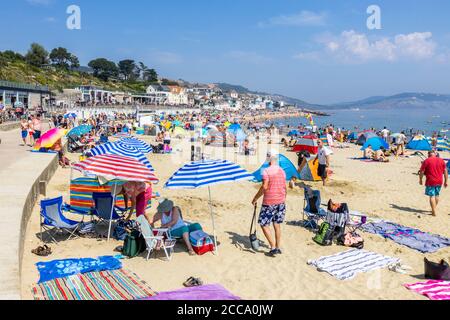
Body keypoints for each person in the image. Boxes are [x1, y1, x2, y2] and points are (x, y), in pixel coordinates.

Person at [252, 152, 287, 256]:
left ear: (268, 159)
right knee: (277, 224)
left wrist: (255, 198)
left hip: (269, 202)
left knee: (264, 224)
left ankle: (273, 247)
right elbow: (284, 187)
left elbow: (264, 187)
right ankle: (278, 246)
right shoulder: (282, 171)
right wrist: (284, 198)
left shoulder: (266, 171)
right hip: (281, 201)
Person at [419, 150, 448, 216]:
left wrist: (420, 179)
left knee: (432, 196)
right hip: (439, 181)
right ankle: (434, 208)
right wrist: (446, 181)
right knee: (437, 195)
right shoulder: (441, 160)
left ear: (429, 154)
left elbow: (422, 171)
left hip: (430, 181)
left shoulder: (426, 161)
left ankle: (433, 211)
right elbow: (445, 171)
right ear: (435, 154)